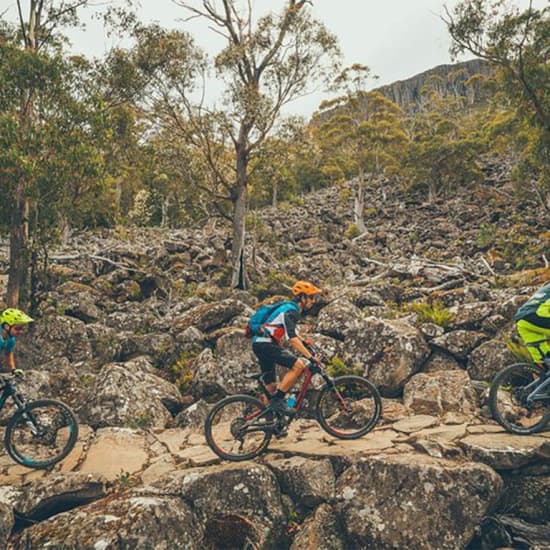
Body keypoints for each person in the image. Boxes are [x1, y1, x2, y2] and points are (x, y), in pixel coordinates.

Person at [252, 280, 322, 416]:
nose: (313, 301)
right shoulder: (291, 310)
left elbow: (293, 332)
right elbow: (292, 338)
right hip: (266, 344)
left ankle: (268, 420)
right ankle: (278, 401)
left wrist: (305, 343)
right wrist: (310, 357)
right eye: (311, 297)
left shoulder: (287, 308)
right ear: (302, 297)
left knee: (271, 386)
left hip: (259, 343)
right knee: (298, 365)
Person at [514, 282, 550, 365]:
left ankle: (540, 376)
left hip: (522, 319)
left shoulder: (546, 288)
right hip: (538, 315)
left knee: (541, 360)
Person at [0, 308, 34, 375]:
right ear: (6, 326)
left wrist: (13, 369)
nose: (21, 332)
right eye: (17, 328)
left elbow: (8, 353)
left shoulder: (10, 339)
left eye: (22, 328)